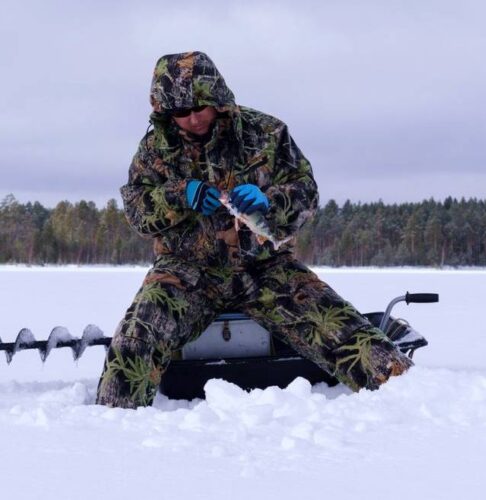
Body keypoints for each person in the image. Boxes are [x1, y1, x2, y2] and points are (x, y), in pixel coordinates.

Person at [96, 51, 412, 408]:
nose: (194, 118)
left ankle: (414, 404)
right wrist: (179, 196)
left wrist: (270, 201)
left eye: (201, 106)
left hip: (266, 268)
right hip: (184, 272)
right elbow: (137, 210)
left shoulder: (266, 133)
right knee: (135, 339)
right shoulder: (154, 149)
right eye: (181, 112)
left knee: (346, 331)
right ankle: (112, 430)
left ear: (217, 98)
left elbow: (305, 193)